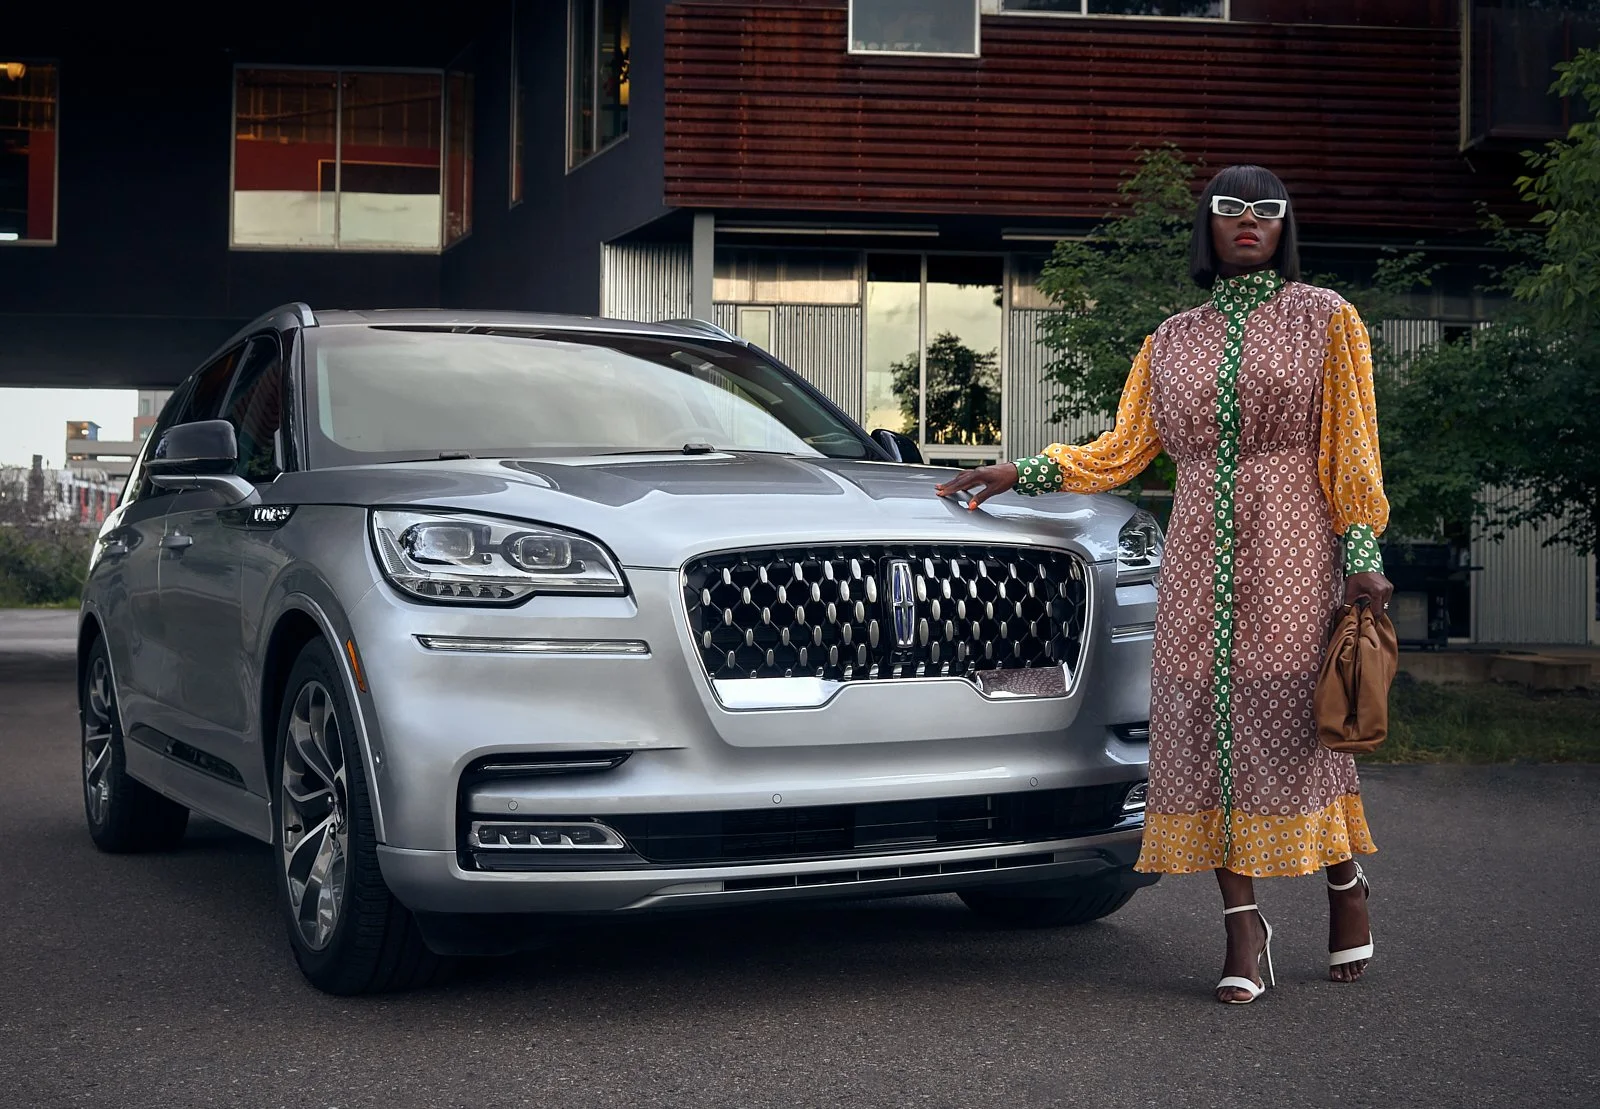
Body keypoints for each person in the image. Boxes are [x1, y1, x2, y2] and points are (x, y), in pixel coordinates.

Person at [936, 165, 1391, 1004]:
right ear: (1207, 225)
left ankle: (1344, 881)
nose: (1249, 221)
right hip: (1197, 556)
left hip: (1293, 544)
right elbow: (1122, 449)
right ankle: (1244, 925)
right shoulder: (1171, 340)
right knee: (1205, 727)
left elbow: (1352, 445)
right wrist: (1021, 470)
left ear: (1285, 227)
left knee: (1296, 723)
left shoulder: (1326, 317)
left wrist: (1361, 547)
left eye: (1266, 210)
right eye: (1231, 208)